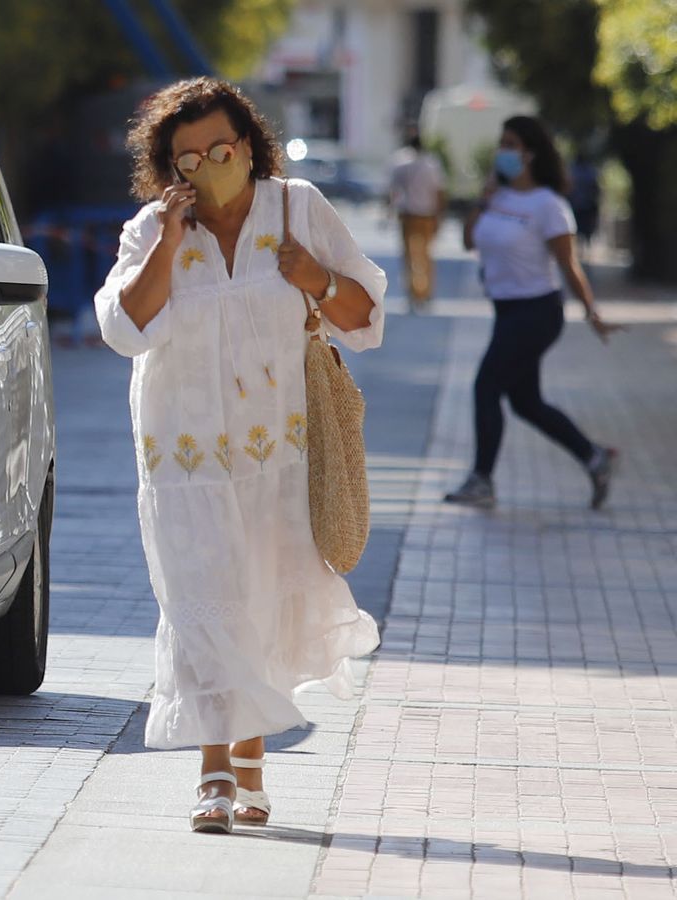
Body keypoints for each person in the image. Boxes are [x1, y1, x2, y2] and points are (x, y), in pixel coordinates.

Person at [93, 77, 385, 834]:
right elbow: (126, 329)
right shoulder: (149, 232)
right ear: (170, 168)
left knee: (255, 605)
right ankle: (216, 775)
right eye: (188, 158)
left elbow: (365, 316)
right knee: (200, 607)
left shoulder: (298, 209)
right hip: (181, 461)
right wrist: (164, 240)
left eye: (222, 149)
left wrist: (313, 277)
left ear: (250, 146)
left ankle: (246, 773)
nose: (210, 166)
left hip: (276, 457)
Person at [444, 116, 620, 510]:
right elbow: (470, 239)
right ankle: (594, 457)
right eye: (501, 143)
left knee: (486, 387)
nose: (502, 151)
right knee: (525, 402)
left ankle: (482, 481)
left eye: (510, 144)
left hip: (537, 312)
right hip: (505, 311)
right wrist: (483, 198)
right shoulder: (499, 197)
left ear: (530, 152)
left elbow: (569, 265)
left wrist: (593, 313)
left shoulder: (549, 206)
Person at [386, 128, 446, 311]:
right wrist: (439, 215)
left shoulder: (399, 162)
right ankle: (425, 292)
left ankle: (413, 292)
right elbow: (439, 192)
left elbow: (392, 192)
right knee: (426, 254)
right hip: (427, 214)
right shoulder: (431, 163)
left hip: (408, 214)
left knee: (409, 256)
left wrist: (388, 212)